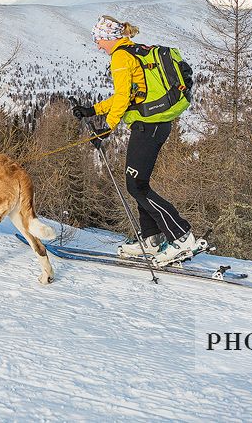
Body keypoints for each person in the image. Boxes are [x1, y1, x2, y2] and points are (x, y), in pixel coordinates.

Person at [72, 15, 202, 265]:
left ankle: (182, 235)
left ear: (108, 38)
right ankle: (151, 239)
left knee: (137, 186)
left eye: (98, 39)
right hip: (154, 123)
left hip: (148, 126)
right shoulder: (133, 51)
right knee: (137, 182)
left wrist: (107, 127)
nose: (97, 45)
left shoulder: (120, 57)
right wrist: (93, 110)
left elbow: (122, 97)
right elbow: (132, 94)